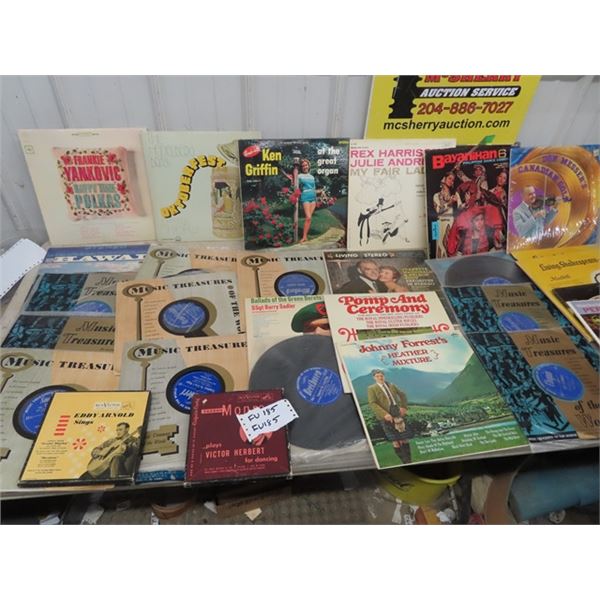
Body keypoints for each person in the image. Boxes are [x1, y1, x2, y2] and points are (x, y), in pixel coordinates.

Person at [367, 369, 412, 463]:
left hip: (397, 412)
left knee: (404, 439)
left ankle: (409, 461)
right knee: (395, 441)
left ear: (384, 376)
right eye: (377, 376)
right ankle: (404, 461)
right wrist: (385, 414)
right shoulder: (371, 388)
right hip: (385, 415)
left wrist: (404, 407)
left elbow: (402, 395)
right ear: (374, 378)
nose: (380, 377)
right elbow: (372, 403)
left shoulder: (391, 385)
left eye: (381, 376)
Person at [297, 158, 318, 243]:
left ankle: (305, 236)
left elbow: (314, 188)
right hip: (305, 197)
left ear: (308, 166)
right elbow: (295, 186)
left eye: (306, 165)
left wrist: (316, 198)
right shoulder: (299, 176)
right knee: (308, 217)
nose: (305, 167)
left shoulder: (312, 177)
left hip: (313, 198)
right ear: (301, 168)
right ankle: (304, 237)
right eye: (303, 166)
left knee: (309, 219)